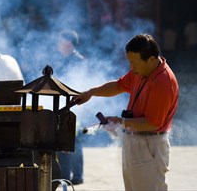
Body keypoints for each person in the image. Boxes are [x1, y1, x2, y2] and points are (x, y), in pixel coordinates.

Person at [72, 34, 179, 191]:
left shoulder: (162, 82)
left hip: (150, 145)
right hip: (135, 141)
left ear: (151, 59)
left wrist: (120, 121)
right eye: (130, 62)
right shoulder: (141, 71)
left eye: (134, 63)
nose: (131, 67)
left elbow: (152, 123)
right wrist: (91, 92)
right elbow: (118, 86)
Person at [54, 30, 85, 185]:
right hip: (64, 105)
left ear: (69, 43)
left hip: (75, 106)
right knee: (63, 141)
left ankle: (78, 176)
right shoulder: (62, 59)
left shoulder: (78, 61)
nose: (58, 44)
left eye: (61, 41)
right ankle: (65, 175)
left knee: (75, 141)